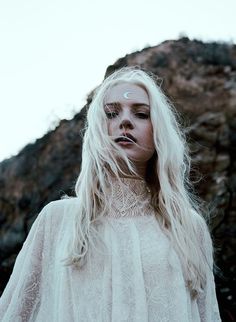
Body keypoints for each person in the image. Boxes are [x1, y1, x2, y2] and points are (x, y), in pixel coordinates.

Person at [0, 66, 221, 321]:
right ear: (97, 130)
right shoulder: (56, 220)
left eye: (141, 114)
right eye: (111, 113)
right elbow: (15, 312)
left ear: (158, 130)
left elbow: (207, 314)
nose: (124, 121)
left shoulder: (188, 227)